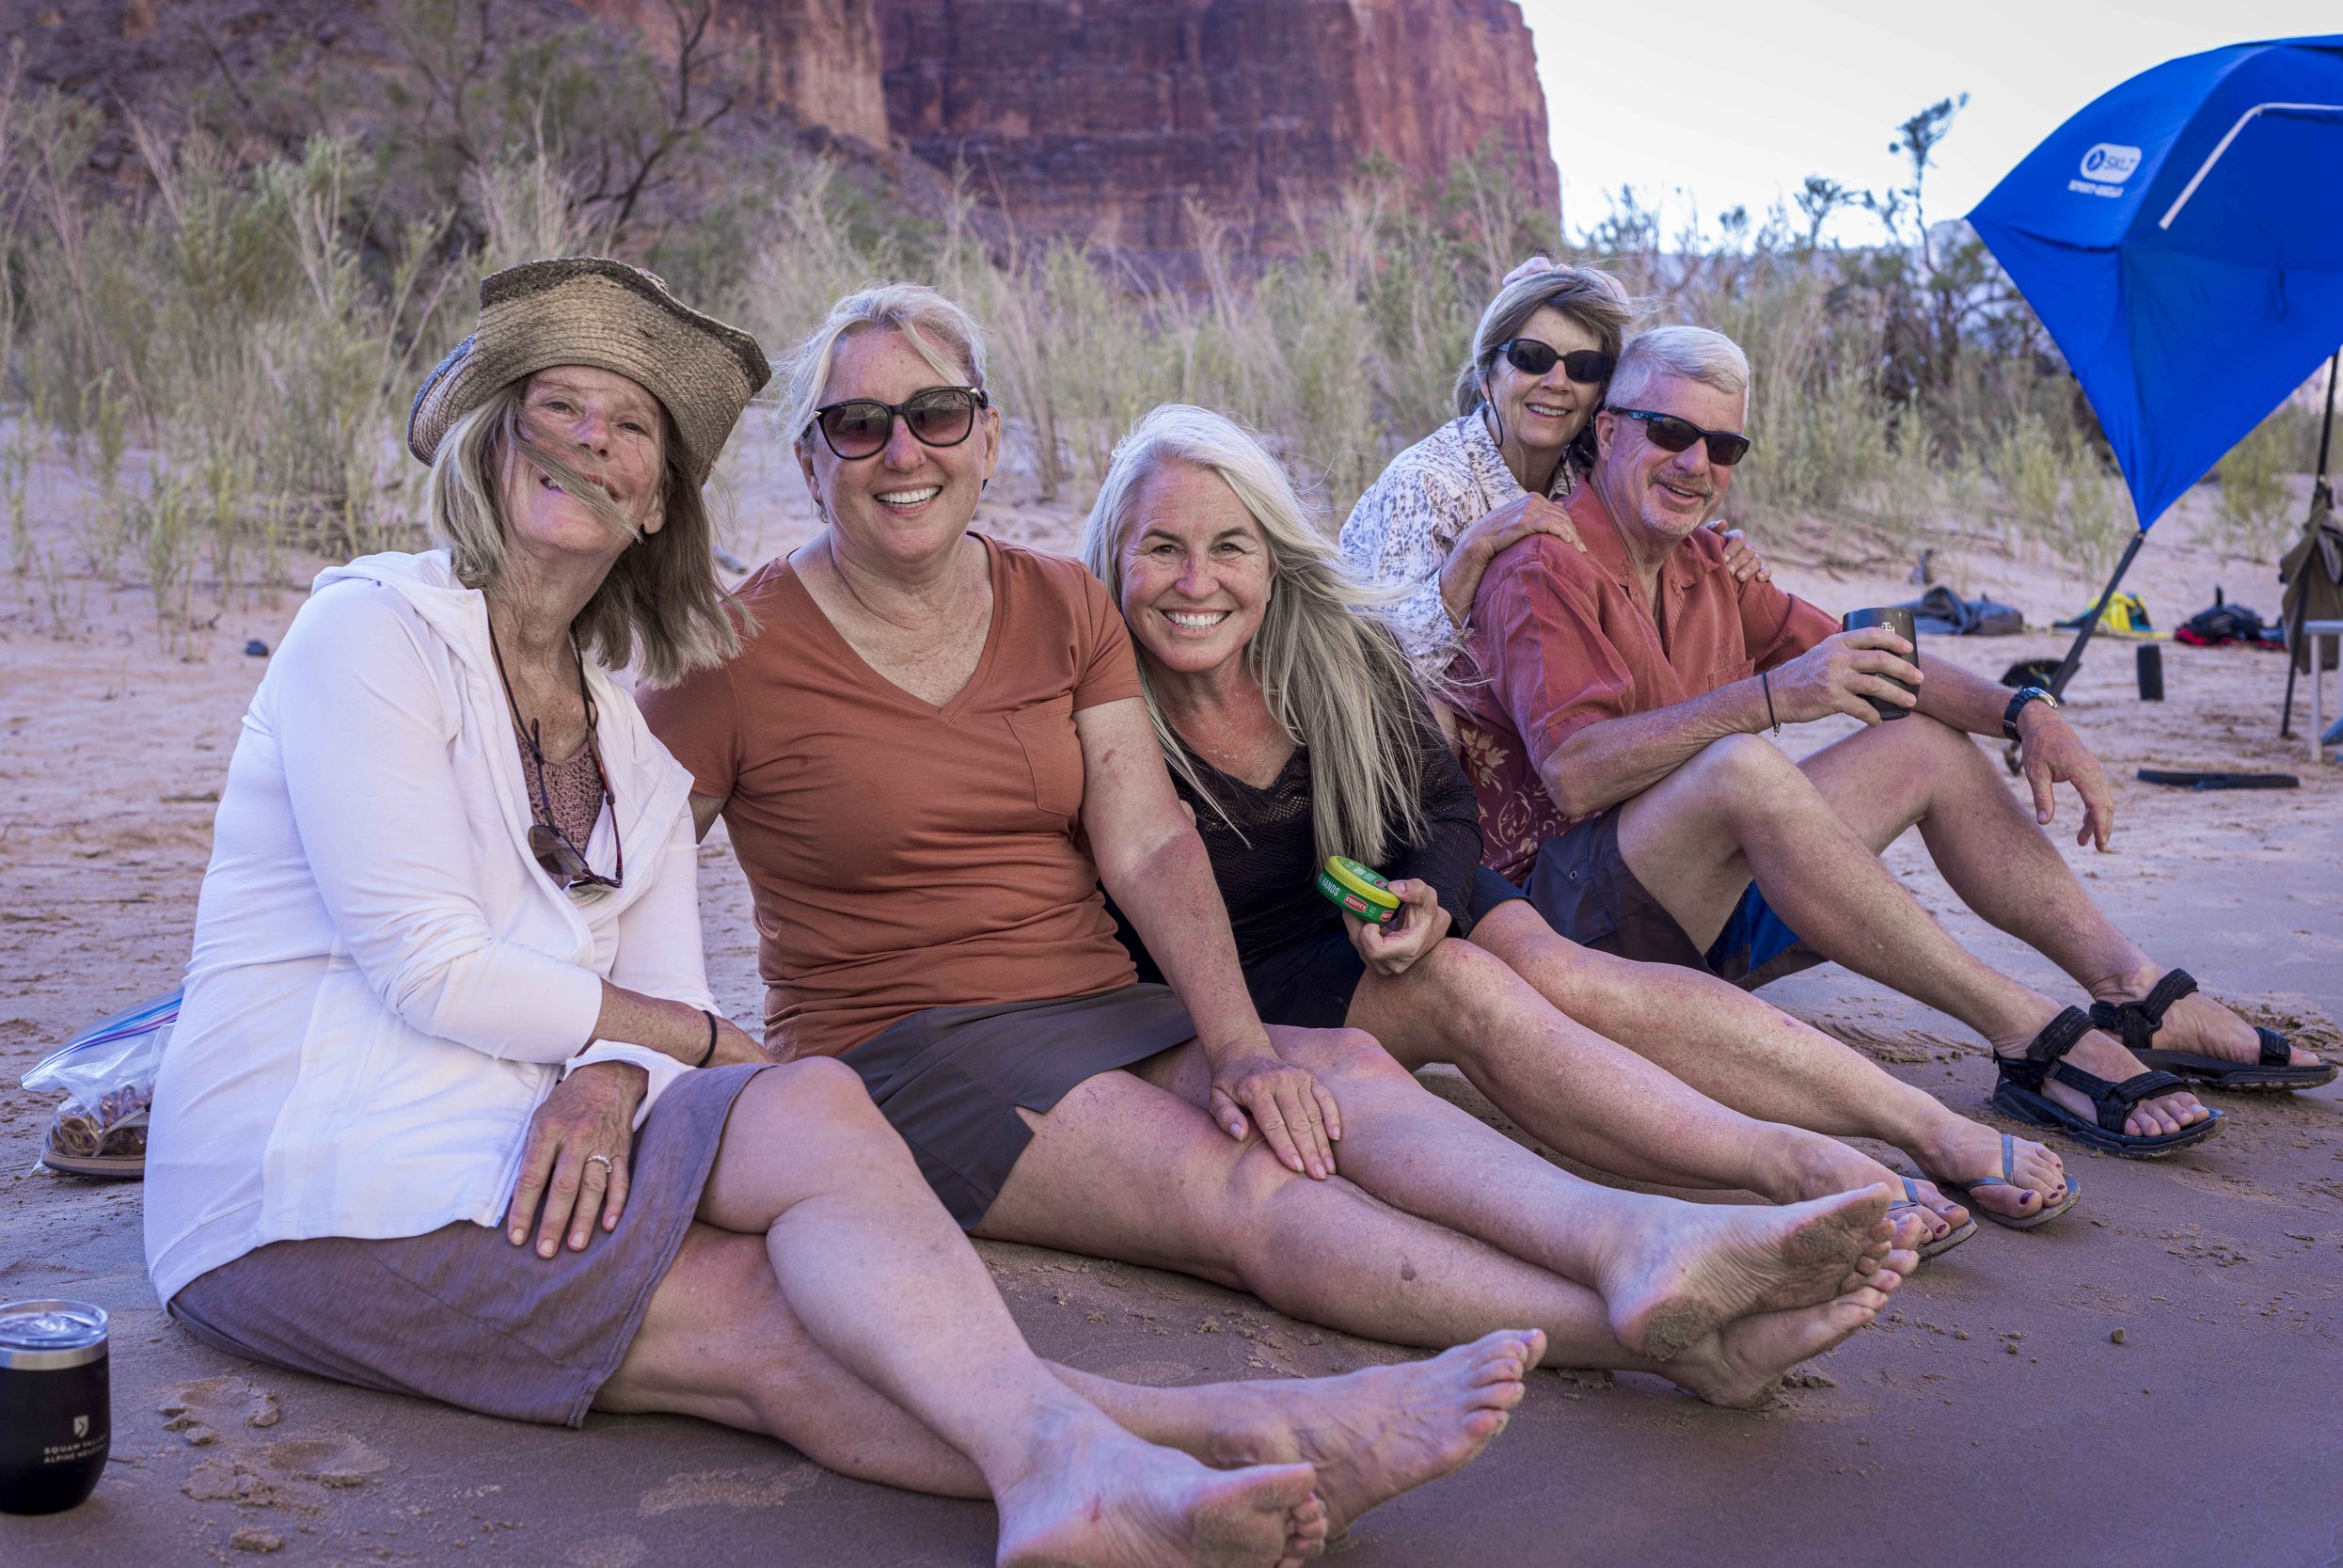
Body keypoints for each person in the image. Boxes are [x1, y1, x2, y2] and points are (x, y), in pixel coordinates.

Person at [144, 260, 1544, 1568]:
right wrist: (669, 1042)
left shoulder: (626, 735)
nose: (586, 438)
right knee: (761, 1317)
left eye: (626, 425)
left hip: (506, 1127)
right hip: (314, 1174)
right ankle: (1210, 1436)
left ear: (655, 498)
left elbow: (658, 972)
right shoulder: (373, 629)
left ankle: (1091, 1465)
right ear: (486, 446)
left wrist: (619, 1069)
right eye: (549, 408)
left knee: (808, 1107)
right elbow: (433, 964)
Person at [642, 280, 1913, 1412]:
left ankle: (1641, 1237)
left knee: (1345, 1072)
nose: (900, 449)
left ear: (985, 436)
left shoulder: (1059, 601)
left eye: (934, 413)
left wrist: (1245, 1045)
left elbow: (1146, 846)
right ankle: (1645, 1332)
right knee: (1245, 1188)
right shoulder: (734, 648)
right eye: (859, 424)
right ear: (811, 460)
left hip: (1102, 1004)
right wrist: (688, 1061)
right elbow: (620, 879)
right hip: (903, 1045)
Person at [1078, 402, 2075, 1250]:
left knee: (1569, 975)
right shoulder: (1084, 697)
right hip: (1246, 965)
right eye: (1161, 548)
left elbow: (1441, 805)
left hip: (1398, 882)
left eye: (1228, 546)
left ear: (1273, 555)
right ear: (1112, 561)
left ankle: (1923, 1123)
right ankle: (1798, 1165)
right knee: (1466, 985)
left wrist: (1426, 885)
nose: (1196, 581)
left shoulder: (1337, 652)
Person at [1449, 322, 2335, 1164]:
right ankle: (2026, 1029)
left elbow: (1869, 655)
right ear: (1607, 430)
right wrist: (1766, 698)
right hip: (1566, 935)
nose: (1696, 464)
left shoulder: (1709, 563)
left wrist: (2025, 708)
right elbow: (1573, 773)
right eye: (1672, 431)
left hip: (1692, 918)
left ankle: (2132, 991)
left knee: (1925, 742)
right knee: (1740, 763)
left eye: (1724, 447)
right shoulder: (1543, 561)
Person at [1338, 258, 1770, 695]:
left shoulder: (1582, 467)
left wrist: (1707, 545)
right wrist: (1474, 550)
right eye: (1532, 358)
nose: (1557, 381)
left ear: (1600, 392)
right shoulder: (1427, 484)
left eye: (1583, 367)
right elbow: (1382, 674)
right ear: (1488, 376)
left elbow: (1657, 438)